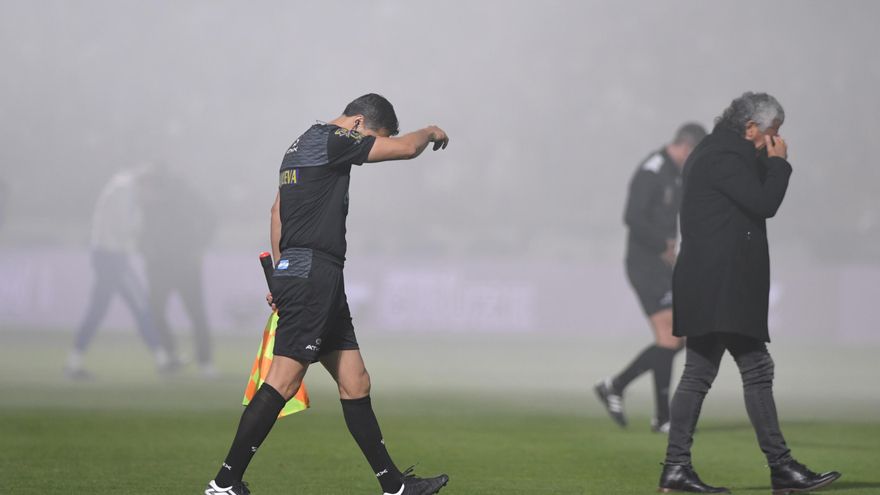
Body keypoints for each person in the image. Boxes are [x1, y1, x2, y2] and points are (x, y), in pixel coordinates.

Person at [205, 94, 450, 495]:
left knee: (356, 382)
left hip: (312, 275)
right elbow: (406, 149)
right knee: (283, 381)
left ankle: (394, 487)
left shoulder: (298, 145)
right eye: (374, 137)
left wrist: (283, 270)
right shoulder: (337, 139)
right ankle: (224, 483)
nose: (371, 146)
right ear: (357, 123)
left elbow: (275, 211)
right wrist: (430, 131)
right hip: (314, 275)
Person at [657, 93, 841, 494]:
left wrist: (766, 159)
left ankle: (676, 470)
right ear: (751, 127)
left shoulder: (719, 150)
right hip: (721, 284)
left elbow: (746, 194)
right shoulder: (724, 156)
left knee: (699, 374)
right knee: (754, 370)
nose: (776, 139)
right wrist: (779, 163)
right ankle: (781, 469)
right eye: (772, 132)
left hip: (710, 282)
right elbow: (763, 202)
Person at [595, 123, 707, 433]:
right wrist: (662, 245)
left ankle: (616, 386)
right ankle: (662, 417)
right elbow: (631, 217)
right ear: (685, 147)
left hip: (662, 266)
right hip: (644, 264)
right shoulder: (652, 169)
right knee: (671, 336)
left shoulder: (675, 173)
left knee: (678, 338)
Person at [66, 168, 169, 379]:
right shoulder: (125, 193)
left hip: (108, 255)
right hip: (113, 257)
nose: (151, 199)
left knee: (101, 308)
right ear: (147, 185)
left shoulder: (121, 189)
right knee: (139, 305)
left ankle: (74, 360)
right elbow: (124, 228)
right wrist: (140, 239)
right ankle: (162, 358)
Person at [138, 165, 218, 377]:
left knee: (196, 313)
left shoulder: (185, 197)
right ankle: (172, 356)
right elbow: (145, 230)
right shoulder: (150, 203)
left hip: (184, 263)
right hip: (160, 265)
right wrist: (146, 250)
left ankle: (205, 362)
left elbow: (210, 218)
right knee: (156, 311)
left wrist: (200, 246)